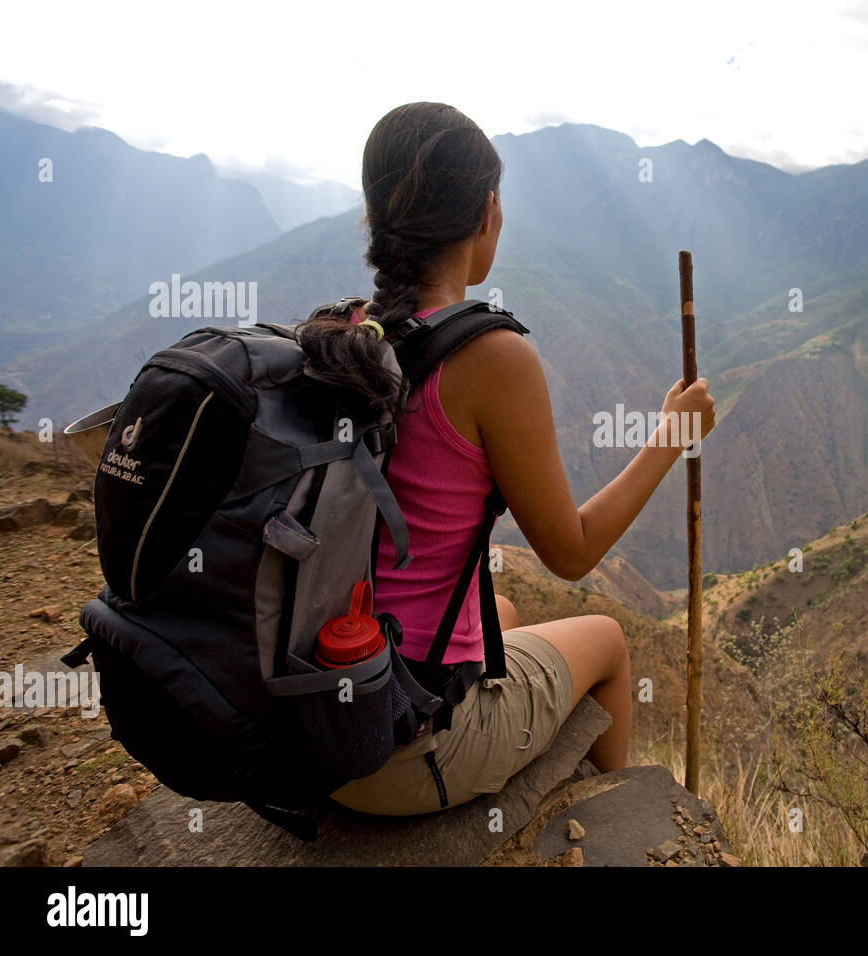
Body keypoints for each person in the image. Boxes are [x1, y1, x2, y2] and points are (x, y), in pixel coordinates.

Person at [294, 102, 715, 815]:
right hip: (402, 747)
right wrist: (670, 436)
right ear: (486, 214)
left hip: (324, 709)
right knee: (609, 643)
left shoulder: (347, 337)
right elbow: (571, 550)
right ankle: (608, 834)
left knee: (507, 609)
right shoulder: (492, 357)